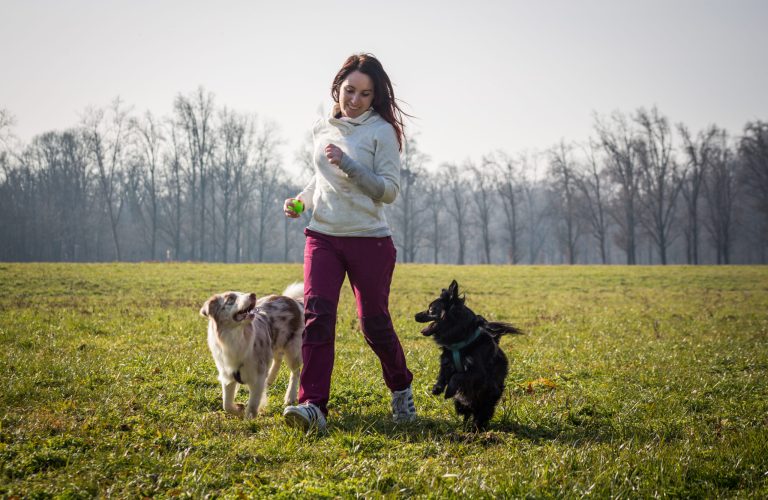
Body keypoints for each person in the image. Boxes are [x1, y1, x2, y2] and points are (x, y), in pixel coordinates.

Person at [281, 53, 415, 432]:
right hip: (322, 235)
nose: (353, 100)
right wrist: (301, 201)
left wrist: (350, 165)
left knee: (373, 324)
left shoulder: (381, 132)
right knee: (317, 318)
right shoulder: (321, 127)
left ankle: (401, 386)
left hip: (369, 242)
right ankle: (313, 406)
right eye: (349, 90)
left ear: (375, 98)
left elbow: (387, 192)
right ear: (337, 88)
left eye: (364, 94)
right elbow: (319, 178)